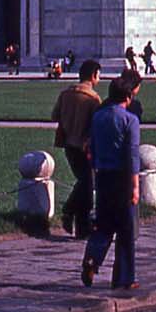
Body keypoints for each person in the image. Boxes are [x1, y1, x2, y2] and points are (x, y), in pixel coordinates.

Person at [81, 74, 142, 290]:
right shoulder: (130, 120)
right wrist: (135, 186)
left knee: (104, 224)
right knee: (126, 229)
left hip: (103, 175)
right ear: (128, 96)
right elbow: (132, 155)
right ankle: (124, 278)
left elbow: (92, 147)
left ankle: (92, 257)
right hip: (123, 177)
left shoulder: (98, 117)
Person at [52, 60, 102, 239]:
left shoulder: (66, 94)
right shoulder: (93, 99)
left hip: (68, 144)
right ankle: (69, 210)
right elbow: (97, 124)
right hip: (84, 146)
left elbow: (55, 116)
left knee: (85, 184)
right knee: (86, 183)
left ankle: (82, 228)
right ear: (94, 75)